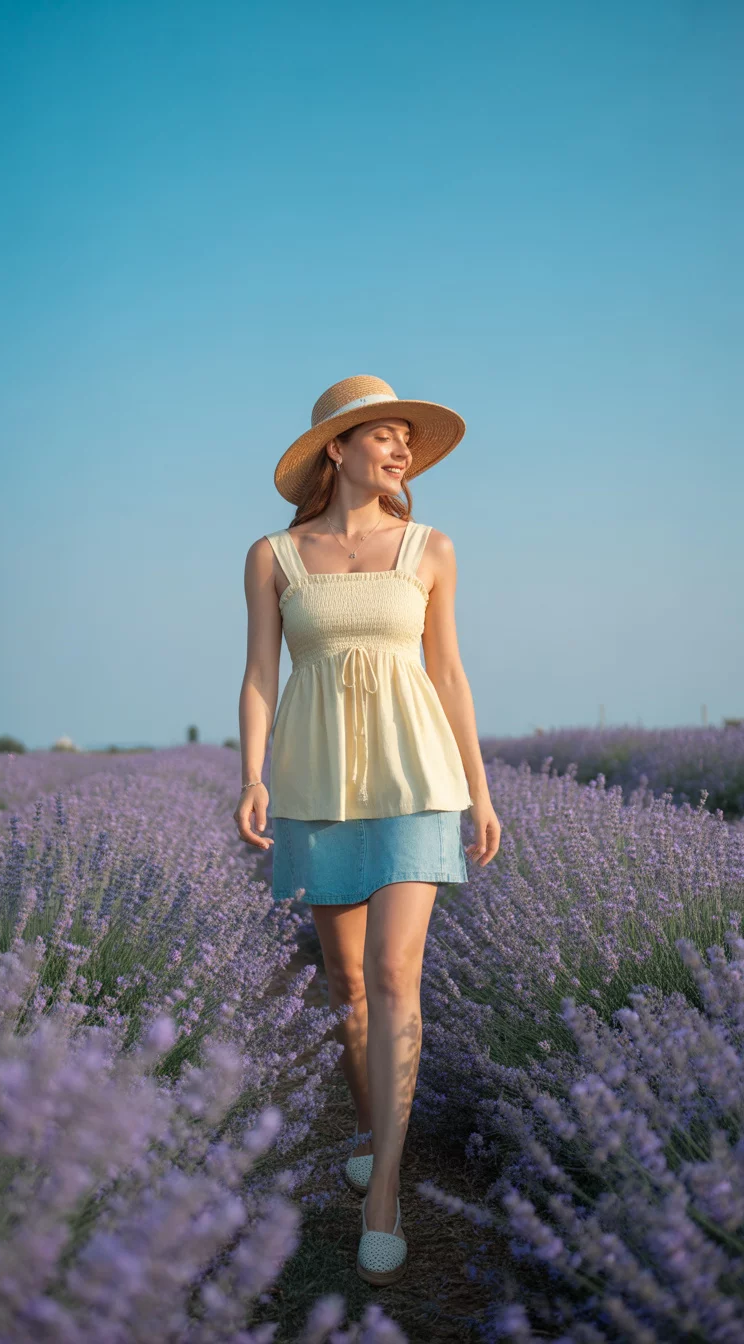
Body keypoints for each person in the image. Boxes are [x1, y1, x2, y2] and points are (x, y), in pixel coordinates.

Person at [234, 374, 501, 1285]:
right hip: (315, 785)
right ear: (337, 449)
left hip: (417, 778)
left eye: (406, 440)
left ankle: (383, 1188)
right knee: (348, 985)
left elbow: (450, 674)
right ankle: (369, 1126)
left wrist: (480, 792)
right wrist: (252, 775)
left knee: (393, 974)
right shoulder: (274, 555)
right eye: (383, 435)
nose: (401, 450)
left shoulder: (431, 548)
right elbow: (259, 674)